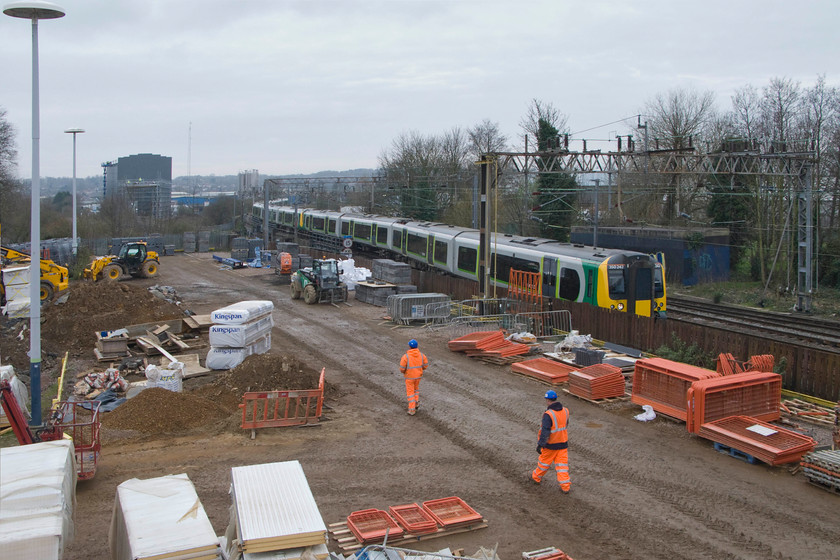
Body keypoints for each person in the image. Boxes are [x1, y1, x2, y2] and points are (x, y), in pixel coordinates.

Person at [530, 389, 571, 493]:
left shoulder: (548, 414)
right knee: (562, 467)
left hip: (550, 445)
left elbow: (545, 431)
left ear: (548, 400)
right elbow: (565, 425)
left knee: (543, 463)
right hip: (563, 444)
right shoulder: (565, 411)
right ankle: (565, 487)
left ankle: (535, 478)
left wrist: (540, 444)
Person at [399, 339, 428, 416]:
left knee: (410, 393)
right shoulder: (422, 355)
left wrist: (405, 372)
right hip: (418, 376)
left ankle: (412, 410)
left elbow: (402, 368)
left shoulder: (406, 357)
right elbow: (425, 366)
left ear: (409, 346)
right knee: (416, 390)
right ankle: (416, 403)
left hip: (409, 377)